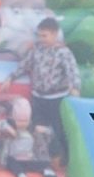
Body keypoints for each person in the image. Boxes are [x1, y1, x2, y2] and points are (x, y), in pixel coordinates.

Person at [18, 15, 82, 152]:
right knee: (36, 126)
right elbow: (25, 65)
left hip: (56, 98)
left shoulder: (63, 52)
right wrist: (10, 78)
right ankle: (39, 155)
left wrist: (75, 88)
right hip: (38, 97)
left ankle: (61, 157)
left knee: (58, 129)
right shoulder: (36, 50)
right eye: (39, 36)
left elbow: (72, 71)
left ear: (54, 34)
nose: (41, 39)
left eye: (44, 36)